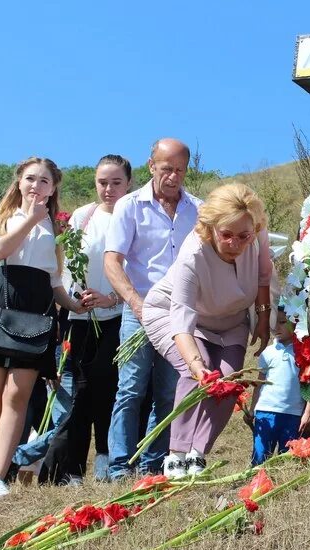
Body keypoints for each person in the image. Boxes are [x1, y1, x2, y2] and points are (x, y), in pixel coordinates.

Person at [0, 157, 86, 500]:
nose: (36, 186)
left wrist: (73, 305)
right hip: (2, 299)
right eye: (30, 179)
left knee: (17, 393)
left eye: (44, 181)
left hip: (37, 308)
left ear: (53, 188)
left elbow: (54, 280)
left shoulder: (57, 227)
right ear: (19, 181)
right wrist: (30, 220)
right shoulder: (3, 216)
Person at [142, 182, 272, 477]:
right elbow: (182, 319)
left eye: (243, 236)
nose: (235, 243)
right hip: (175, 317)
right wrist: (197, 364)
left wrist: (263, 319)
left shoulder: (257, 234)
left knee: (228, 382)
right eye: (226, 235)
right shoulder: (193, 254)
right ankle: (176, 454)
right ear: (211, 227)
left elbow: (263, 278)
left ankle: (197, 453)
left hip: (231, 321)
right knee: (196, 374)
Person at [104, 139, 202, 479]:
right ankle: (119, 466)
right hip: (140, 307)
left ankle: (153, 463)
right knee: (130, 387)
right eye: (166, 169)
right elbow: (112, 261)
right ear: (150, 166)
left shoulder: (198, 210)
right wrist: (135, 301)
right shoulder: (130, 206)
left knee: (169, 390)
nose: (173, 177)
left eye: (180, 171)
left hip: (179, 315)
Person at [40, 155, 131, 484]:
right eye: (102, 183)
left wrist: (111, 298)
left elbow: (138, 271)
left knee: (108, 387)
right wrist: (72, 303)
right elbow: (68, 267)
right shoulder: (83, 216)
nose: (108, 189)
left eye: (116, 182)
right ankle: (71, 468)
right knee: (77, 390)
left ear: (129, 183)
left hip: (117, 316)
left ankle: (106, 460)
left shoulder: (134, 215)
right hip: (79, 318)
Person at [246, 309, 310, 465]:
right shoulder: (267, 353)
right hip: (266, 412)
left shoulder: (304, 352)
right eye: (273, 323)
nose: (276, 327)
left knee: (288, 458)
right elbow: (259, 384)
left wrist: (308, 412)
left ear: (296, 323)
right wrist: (252, 409)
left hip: (293, 414)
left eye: (282, 322)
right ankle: (258, 484)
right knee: (260, 457)